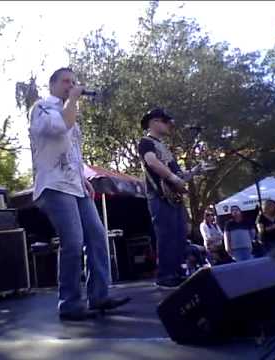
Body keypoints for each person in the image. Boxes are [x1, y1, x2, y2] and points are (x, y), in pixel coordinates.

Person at [28, 67, 130, 321]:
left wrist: (84, 178)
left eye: (74, 82)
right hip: (54, 185)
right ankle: (70, 303)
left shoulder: (69, 112)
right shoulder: (41, 108)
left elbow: (73, 153)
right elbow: (58, 128)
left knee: (97, 236)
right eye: (65, 81)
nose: (71, 85)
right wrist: (73, 98)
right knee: (73, 241)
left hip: (76, 185)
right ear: (52, 85)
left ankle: (99, 296)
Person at [138, 108, 189, 288]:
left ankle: (177, 272)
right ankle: (165, 276)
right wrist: (174, 178)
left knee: (179, 235)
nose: (169, 125)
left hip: (172, 196)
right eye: (165, 121)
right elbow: (152, 161)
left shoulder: (165, 147)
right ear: (154, 122)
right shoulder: (146, 142)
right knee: (166, 235)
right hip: (159, 195)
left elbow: (177, 173)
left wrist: (191, 174)